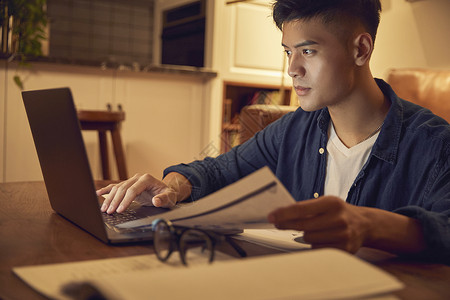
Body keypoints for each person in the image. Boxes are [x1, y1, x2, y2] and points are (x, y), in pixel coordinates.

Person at [98, 0, 450, 263]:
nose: (292, 69)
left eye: (308, 51)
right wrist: (172, 187)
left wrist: (370, 225)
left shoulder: (435, 145)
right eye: (287, 52)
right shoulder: (294, 129)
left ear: (360, 49)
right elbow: (220, 169)